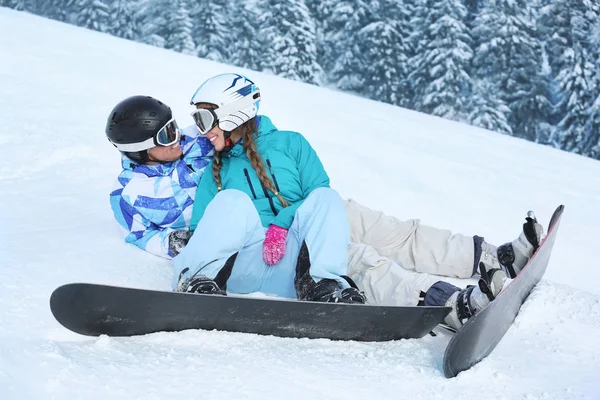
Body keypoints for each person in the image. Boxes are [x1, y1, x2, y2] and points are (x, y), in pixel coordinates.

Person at [105, 73, 544, 329]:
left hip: (307, 218)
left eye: (198, 120)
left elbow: (320, 191)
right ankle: (450, 304)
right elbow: (196, 224)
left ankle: (493, 256)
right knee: (361, 257)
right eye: (174, 131)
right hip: (278, 242)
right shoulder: (205, 166)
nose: (190, 133)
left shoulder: (285, 143)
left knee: (386, 229)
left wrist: (287, 221)